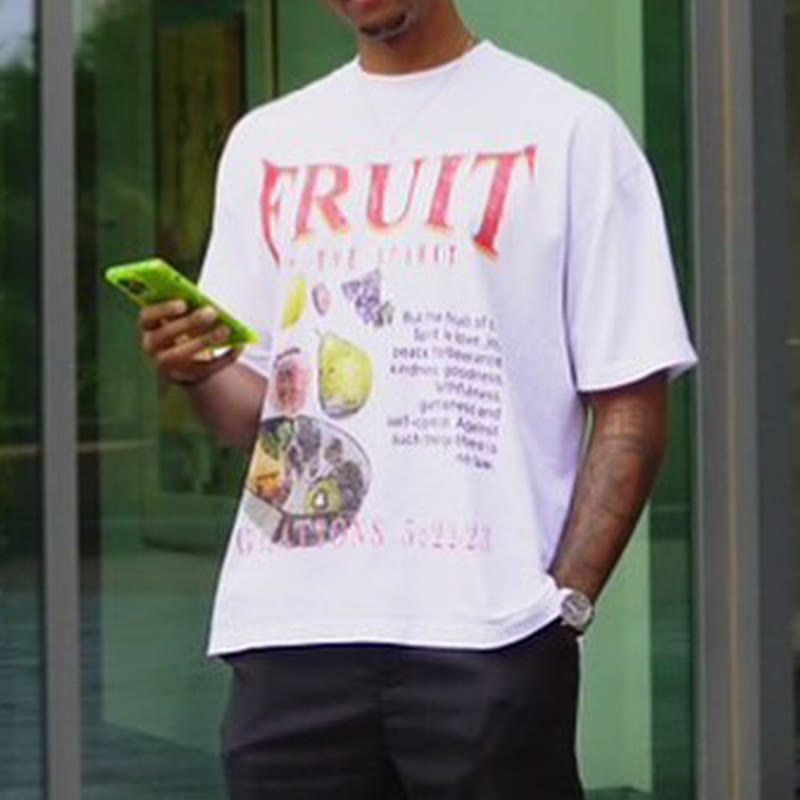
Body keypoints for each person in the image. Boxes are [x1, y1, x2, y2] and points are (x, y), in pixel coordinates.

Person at [137, 1, 697, 797]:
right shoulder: (267, 143)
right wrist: (195, 367)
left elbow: (631, 397)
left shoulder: (570, 131)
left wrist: (564, 605)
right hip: (289, 628)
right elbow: (246, 417)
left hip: (490, 631)